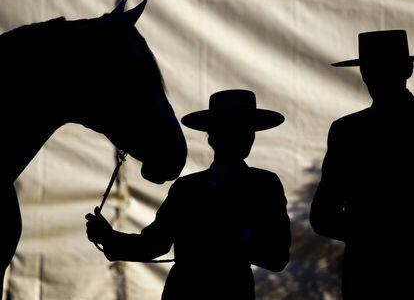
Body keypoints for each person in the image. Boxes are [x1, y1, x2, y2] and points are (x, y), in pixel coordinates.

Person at [86, 89, 291, 299]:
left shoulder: (190, 188)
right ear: (213, 139)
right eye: (234, 131)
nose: (241, 138)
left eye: (243, 131)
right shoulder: (263, 185)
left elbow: (278, 257)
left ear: (211, 138)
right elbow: (277, 256)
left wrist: (109, 239)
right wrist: (109, 238)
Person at [310, 30, 414, 299]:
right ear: (408, 69)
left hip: (367, 273)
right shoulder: (347, 131)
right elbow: (322, 216)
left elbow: (323, 216)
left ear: (364, 74)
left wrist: (369, 234)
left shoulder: (348, 131)